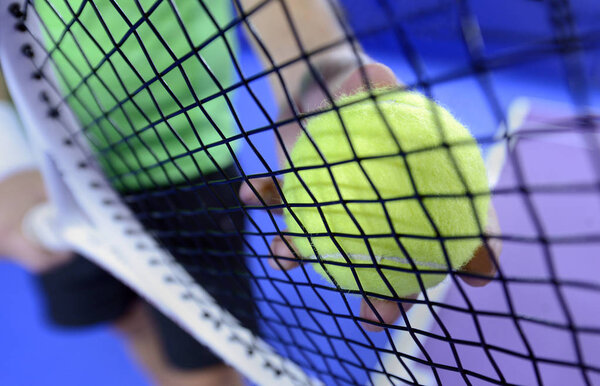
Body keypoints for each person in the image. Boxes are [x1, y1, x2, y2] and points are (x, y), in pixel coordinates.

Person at [0, 0, 501, 384]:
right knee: (125, 315)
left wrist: (320, 73)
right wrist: (7, 157)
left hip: (191, 164)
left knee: (207, 363)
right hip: (50, 173)